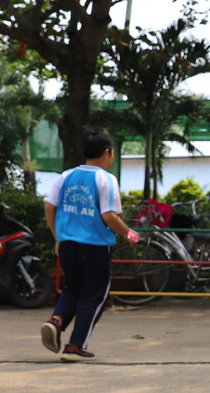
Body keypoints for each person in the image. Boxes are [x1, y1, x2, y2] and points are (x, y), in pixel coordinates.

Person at [41, 127, 138, 362]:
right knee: (95, 295)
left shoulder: (66, 176)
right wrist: (128, 233)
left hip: (67, 244)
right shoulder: (106, 179)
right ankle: (75, 345)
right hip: (94, 246)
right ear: (107, 153)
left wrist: (58, 237)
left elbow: (49, 207)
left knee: (73, 288)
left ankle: (56, 320)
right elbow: (109, 216)